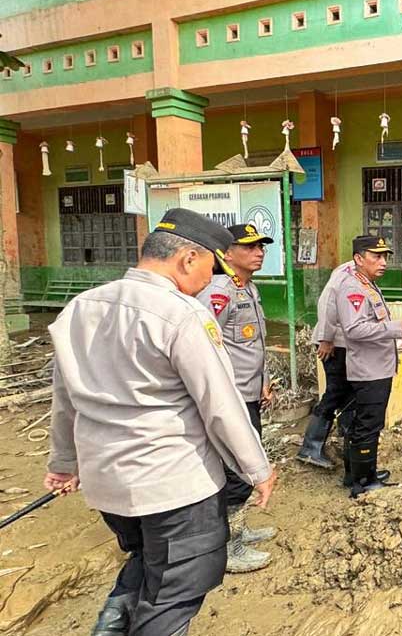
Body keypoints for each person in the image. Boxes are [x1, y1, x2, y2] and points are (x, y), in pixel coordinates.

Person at [45, 209, 277, 636]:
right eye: (211, 266)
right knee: (175, 592)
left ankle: (110, 626)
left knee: (147, 561)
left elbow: (65, 400)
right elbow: (219, 403)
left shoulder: (79, 308)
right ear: (188, 258)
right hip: (173, 485)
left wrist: (63, 462)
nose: (211, 279)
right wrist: (257, 469)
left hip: (108, 484)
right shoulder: (181, 314)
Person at [196, 223, 276, 573]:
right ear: (226, 254)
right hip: (230, 398)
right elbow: (205, 350)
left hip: (248, 391)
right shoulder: (218, 291)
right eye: (250, 247)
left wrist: (264, 381)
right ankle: (227, 545)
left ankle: (239, 528)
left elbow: (252, 344)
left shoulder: (247, 287)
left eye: (261, 247)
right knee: (235, 468)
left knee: (243, 465)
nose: (259, 252)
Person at [325, 235, 402, 497]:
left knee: (364, 424)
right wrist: (397, 327)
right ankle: (363, 483)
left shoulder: (366, 284)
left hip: (376, 366)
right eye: (376, 256)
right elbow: (354, 330)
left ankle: (359, 473)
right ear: (358, 259)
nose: (383, 262)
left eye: (385, 256)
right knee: (367, 425)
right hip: (369, 371)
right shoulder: (353, 288)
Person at [296, 259, 355, 471]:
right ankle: (310, 447)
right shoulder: (346, 273)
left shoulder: (364, 276)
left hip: (346, 344)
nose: (382, 262)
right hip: (334, 344)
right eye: (377, 256)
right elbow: (327, 302)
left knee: (349, 392)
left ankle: (348, 441)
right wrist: (326, 338)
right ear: (361, 256)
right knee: (335, 393)